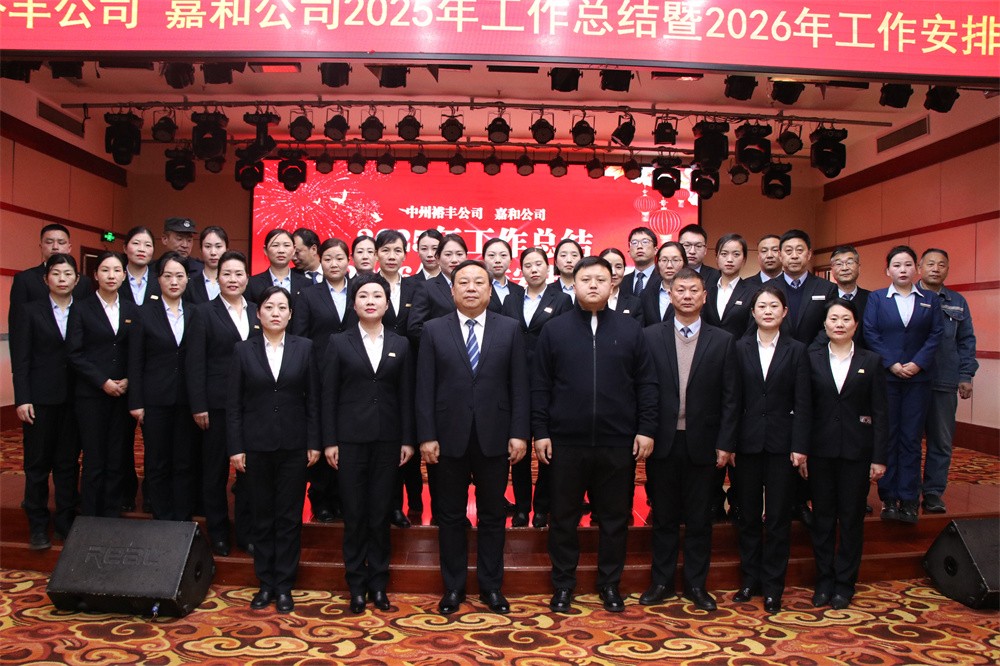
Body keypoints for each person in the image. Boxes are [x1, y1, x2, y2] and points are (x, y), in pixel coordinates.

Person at [533, 256, 658, 614]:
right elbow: (540, 385)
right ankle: (563, 585)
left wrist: (645, 428)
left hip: (617, 442)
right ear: (572, 284)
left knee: (615, 519)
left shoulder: (630, 329)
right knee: (563, 518)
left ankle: (609, 584)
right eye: (585, 279)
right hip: (565, 442)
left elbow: (647, 384)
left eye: (600, 280)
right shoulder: (554, 330)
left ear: (612, 284)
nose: (592, 285)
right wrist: (540, 431)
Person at [416, 259, 530, 616]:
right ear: (452, 291)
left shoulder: (510, 328)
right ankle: (453, 587)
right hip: (447, 437)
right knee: (449, 515)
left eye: (478, 282)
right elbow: (424, 387)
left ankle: (491, 587)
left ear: (490, 290)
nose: (470, 288)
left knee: (493, 515)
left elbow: (520, 386)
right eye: (463, 282)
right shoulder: (433, 329)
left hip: (495, 437)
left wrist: (519, 433)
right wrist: (426, 435)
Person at [640, 267, 737, 613]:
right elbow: (643, 390)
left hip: (704, 443)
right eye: (680, 290)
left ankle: (696, 584)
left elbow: (731, 397)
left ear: (704, 296)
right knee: (664, 516)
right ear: (670, 295)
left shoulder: (722, 340)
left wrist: (726, 442)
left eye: (694, 290)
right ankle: (662, 582)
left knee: (700, 519)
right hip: (662, 441)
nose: (686, 296)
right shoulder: (650, 336)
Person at [322, 273, 415, 614]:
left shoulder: (401, 344)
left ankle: (378, 583)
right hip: (349, 440)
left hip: (388, 441)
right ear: (354, 304)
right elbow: (328, 395)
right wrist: (329, 440)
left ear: (387, 304)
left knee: (379, 513)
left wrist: (408, 440)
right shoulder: (338, 342)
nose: (371, 301)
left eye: (377, 295)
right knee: (355, 513)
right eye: (363, 296)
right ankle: (356, 585)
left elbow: (407, 396)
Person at [228, 286, 320, 614]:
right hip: (256, 446)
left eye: (282, 307)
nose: (276, 313)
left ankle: (284, 585)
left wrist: (314, 442)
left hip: (295, 445)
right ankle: (265, 583)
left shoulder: (305, 348)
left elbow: (314, 401)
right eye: (269, 307)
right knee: (262, 516)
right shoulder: (243, 350)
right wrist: (236, 447)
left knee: (289, 517)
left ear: (291, 314)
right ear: (259, 313)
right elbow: (234, 404)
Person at [730, 285, 811, 613]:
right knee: (748, 515)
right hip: (746, 443)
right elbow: (732, 399)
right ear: (752, 312)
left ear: (784, 312)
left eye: (774, 306)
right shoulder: (739, 347)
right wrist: (729, 443)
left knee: (777, 517)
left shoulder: (797, 350)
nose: (767, 311)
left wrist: (800, 444)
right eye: (761, 306)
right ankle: (750, 579)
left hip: (782, 444)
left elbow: (803, 402)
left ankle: (774, 586)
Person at [809, 299, 888, 610]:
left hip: (857, 451)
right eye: (833, 319)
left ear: (856, 324)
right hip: (820, 451)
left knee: (852, 519)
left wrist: (879, 457)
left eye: (845, 319)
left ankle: (845, 584)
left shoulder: (872, 360)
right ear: (824, 324)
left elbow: (881, 413)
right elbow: (804, 407)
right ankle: (824, 581)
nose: (839, 324)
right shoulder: (812, 358)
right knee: (823, 519)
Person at [187, 250, 261, 556]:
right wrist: (198, 404)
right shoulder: (203, 312)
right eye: (227, 274)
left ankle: (246, 532)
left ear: (247, 278)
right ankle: (217, 532)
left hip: (252, 404)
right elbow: (195, 362)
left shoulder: (257, 310)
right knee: (215, 471)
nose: (233, 279)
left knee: (248, 472)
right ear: (217, 279)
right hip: (216, 404)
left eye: (238, 274)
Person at [864, 245, 943, 524]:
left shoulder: (930, 300)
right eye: (897, 265)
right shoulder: (877, 298)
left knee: (911, 438)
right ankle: (888, 498)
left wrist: (917, 363)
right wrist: (892, 363)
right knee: (888, 436)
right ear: (888, 270)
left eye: (908, 264)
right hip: (887, 377)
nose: (903, 270)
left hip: (918, 378)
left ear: (916, 269)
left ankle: (909, 498)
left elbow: (936, 334)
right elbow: (870, 332)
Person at [10, 254, 81, 549]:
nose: (62, 279)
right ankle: (38, 526)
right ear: (46, 279)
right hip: (39, 399)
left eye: (68, 274)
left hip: (74, 399)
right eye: (56, 274)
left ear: (77, 279)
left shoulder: (84, 310)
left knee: (68, 464)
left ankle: (65, 523)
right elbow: (21, 359)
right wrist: (22, 398)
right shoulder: (30, 311)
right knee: (37, 465)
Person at [500, 247, 573, 528]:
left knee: (546, 449)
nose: (533, 269)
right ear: (521, 270)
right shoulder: (511, 299)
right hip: (515, 383)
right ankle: (521, 507)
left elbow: (565, 339)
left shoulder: (562, 299)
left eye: (538, 264)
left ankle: (542, 506)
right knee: (518, 449)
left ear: (548, 268)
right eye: (528, 265)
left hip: (548, 384)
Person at [67, 251, 140, 518]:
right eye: (105, 270)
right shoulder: (81, 308)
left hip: (123, 394)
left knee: (118, 456)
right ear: (95, 275)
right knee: (94, 457)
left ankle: (111, 514)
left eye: (117, 270)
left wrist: (129, 379)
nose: (111, 275)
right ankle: (90, 516)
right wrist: (102, 382)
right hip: (92, 395)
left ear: (124, 275)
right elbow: (75, 353)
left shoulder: (132, 309)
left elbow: (137, 351)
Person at [128, 252, 197, 521]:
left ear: (187, 279)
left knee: (184, 460)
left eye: (179, 276)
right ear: (158, 279)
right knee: (157, 460)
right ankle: (160, 515)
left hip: (187, 399)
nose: (174, 281)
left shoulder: (195, 313)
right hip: (155, 399)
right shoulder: (144, 314)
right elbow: (135, 361)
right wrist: (136, 401)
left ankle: (182, 516)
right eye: (168, 276)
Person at [291, 238, 355, 524]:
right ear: (320, 261)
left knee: (344, 435)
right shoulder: (308, 294)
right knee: (320, 432)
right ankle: (320, 498)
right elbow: (301, 336)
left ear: (348, 261)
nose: (334, 264)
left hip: (352, 374)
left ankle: (341, 496)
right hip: (318, 373)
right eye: (328, 258)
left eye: (339, 258)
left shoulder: (360, 290)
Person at [917, 249, 978, 514]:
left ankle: (933, 492)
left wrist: (966, 375)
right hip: (909, 381)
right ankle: (906, 492)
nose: (935, 268)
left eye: (941, 265)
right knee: (907, 440)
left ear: (947, 269)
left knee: (941, 441)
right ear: (919, 267)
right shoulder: (908, 296)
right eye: (930, 264)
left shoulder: (957, 301)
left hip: (944, 380)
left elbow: (966, 341)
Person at [703, 233, 756, 523]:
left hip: (741, 366)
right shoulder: (706, 288)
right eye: (724, 254)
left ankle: (737, 500)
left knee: (737, 433)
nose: (730, 259)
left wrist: (730, 353)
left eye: (736, 254)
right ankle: (712, 499)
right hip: (709, 368)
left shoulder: (753, 291)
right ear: (717, 257)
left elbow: (752, 330)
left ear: (744, 259)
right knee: (713, 432)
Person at [374, 229, 423, 527]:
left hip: (410, 368)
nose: (391, 256)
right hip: (376, 372)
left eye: (397, 251)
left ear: (405, 254)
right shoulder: (366, 285)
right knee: (387, 440)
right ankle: (392, 505)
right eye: (386, 250)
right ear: (376, 253)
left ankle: (415, 500)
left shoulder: (417, 287)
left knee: (409, 435)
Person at [8, 224, 93, 332]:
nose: (55, 247)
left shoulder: (84, 281)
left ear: (69, 248)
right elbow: (17, 322)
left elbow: (89, 320)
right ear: (41, 247)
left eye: (61, 242)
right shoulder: (24, 279)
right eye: (49, 242)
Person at [810, 245, 870, 350]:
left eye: (850, 262)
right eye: (838, 264)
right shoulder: (824, 299)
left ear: (859, 267)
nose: (844, 268)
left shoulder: (871, 299)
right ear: (832, 270)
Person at [407, 233, 467, 340]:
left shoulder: (474, 286)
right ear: (438, 258)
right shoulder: (426, 288)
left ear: (466, 257)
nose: (454, 259)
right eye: (448, 254)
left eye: (459, 254)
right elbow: (415, 328)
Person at [247, 229, 311, 305]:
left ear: (294, 250)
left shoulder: (307, 283)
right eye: (275, 245)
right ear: (265, 250)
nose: (281, 250)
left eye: (286, 245)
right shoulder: (252, 283)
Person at [640, 241, 687, 326]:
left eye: (675, 260)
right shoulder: (646, 294)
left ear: (684, 263)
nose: (669, 266)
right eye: (664, 260)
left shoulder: (691, 294)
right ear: (657, 263)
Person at [186, 226, 229, 305]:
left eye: (218, 246)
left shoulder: (235, 283)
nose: (213, 252)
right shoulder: (189, 285)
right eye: (208, 246)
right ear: (200, 250)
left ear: (226, 249)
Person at [119, 226, 159, 306]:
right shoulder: (116, 278)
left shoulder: (160, 281)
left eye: (148, 245)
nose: (142, 249)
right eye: (136, 243)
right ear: (125, 248)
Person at [600, 247, 643, 322]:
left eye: (618, 267)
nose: (613, 272)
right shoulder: (589, 298)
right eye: (608, 266)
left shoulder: (634, 303)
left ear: (624, 270)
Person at [484, 238, 524, 313]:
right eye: (491, 255)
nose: (498, 260)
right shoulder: (478, 288)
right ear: (484, 259)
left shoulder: (520, 290)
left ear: (511, 260)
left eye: (503, 255)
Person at [620, 226, 658, 297]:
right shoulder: (622, 281)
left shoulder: (664, 278)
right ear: (629, 253)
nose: (639, 246)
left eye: (645, 242)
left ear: (655, 250)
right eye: (634, 243)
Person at [545, 238, 582, 303]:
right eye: (563, 255)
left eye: (574, 255)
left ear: (581, 260)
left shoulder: (588, 289)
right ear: (556, 262)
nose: (569, 260)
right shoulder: (546, 291)